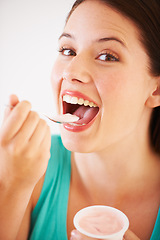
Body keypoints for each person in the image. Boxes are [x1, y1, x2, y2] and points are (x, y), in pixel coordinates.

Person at [0, 0, 159, 239]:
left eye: (107, 56)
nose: (70, 71)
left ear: (156, 89)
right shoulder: (27, 172)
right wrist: (10, 184)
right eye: (68, 51)